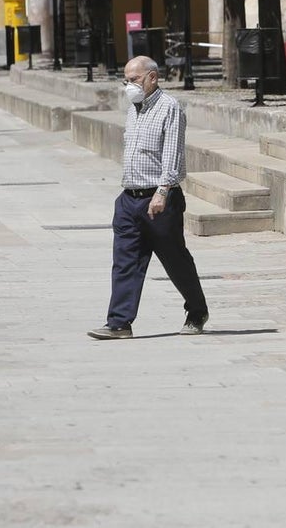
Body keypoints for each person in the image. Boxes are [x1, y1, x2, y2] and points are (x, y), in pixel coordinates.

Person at [88, 55, 210, 340]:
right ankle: (119, 323)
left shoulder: (170, 108)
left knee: (175, 260)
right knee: (125, 261)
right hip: (129, 199)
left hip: (159, 200)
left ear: (152, 77)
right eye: (126, 80)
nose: (129, 85)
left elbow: (173, 155)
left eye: (134, 80)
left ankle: (197, 310)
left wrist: (163, 192)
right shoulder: (134, 108)